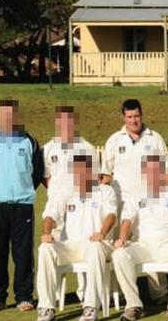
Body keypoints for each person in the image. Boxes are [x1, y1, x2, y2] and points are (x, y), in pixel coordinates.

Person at [0, 99, 44, 313]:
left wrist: (22, 190)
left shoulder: (29, 141)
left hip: (22, 206)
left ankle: (24, 296)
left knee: (23, 252)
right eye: (4, 115)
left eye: (11, 115)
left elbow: (37, 172)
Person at [112, 154, 168, 321]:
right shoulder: (135, 195)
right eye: (150, 172)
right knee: (119, 254)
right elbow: (127, 220)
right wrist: (122, 238)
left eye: (157, 172)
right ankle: (133, 305)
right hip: (142, 245)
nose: (154, 175)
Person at [102, 99, 168, 303]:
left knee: (150, 242)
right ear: (124, 117)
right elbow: (105, 175)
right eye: (129, 117)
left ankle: (159, 293)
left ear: (142, 115)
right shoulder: (115, 140)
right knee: (119, 246)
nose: (133, 120)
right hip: (121, 203)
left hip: (149, 202)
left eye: (137, 116)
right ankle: (121, 293)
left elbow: (164, 170)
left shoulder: (154, 138)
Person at [36, 154, 117, 321]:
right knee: (45, 249)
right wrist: (46, 233)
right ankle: (46, 308)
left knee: (95, 247)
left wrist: (101, 233)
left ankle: (90, 308)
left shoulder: (105, 191)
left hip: (98, 244)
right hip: (70, 246)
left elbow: (111, 215)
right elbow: (51, 215)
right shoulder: (67, 192)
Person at [42, 105, 97, 300]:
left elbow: (93, 178)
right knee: (54, 248)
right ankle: (55, 294)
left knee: (82, 245)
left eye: (70, 121)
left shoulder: (87, 148)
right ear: (58, 123)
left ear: (75, 123)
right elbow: (46, 177)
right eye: (62, 121)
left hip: (81, 207)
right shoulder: (48, 149)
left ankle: (85, 293)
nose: (66, 125)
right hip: (57, 206)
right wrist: (57, 193)